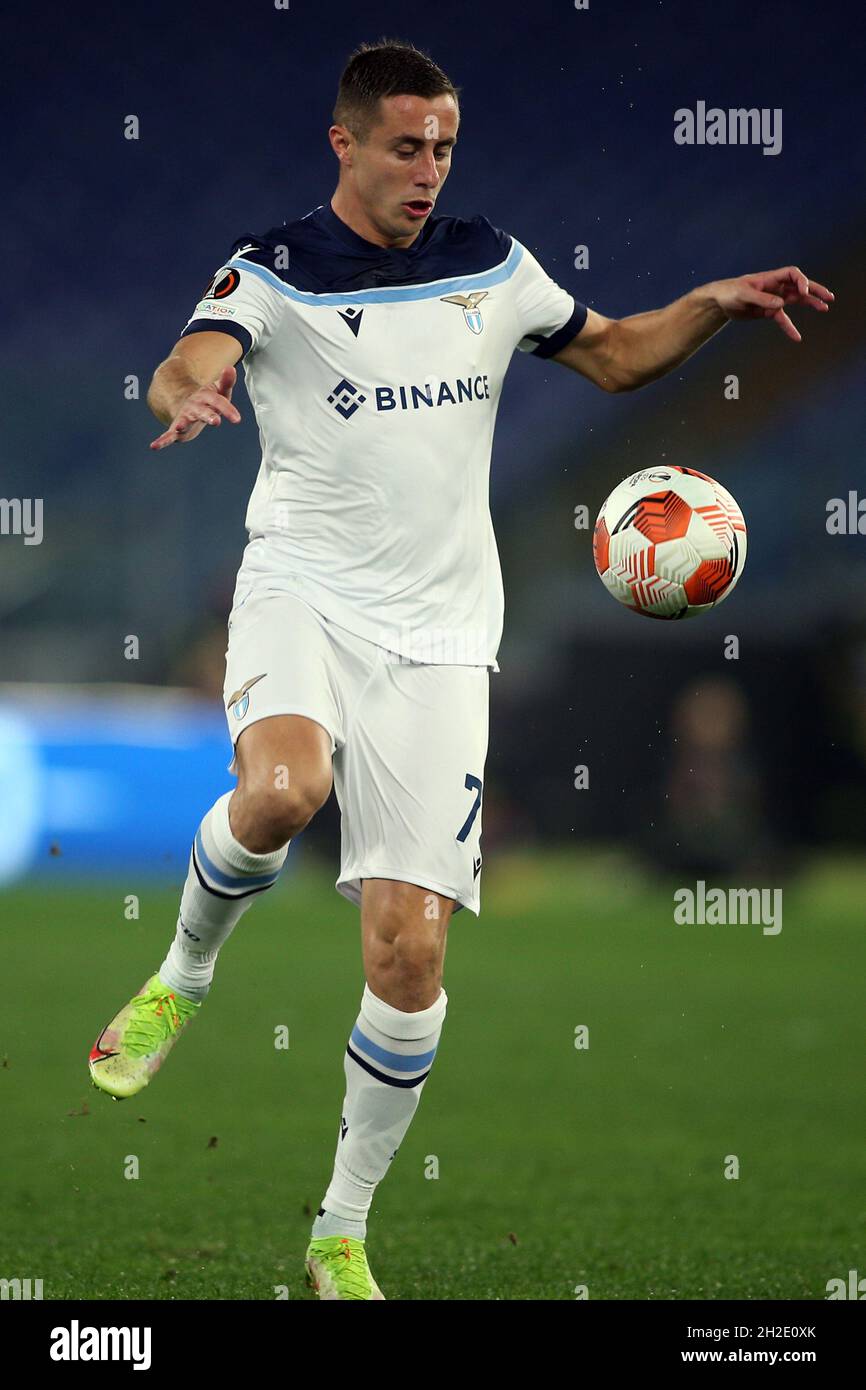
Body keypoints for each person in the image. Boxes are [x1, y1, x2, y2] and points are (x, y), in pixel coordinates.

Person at [87, 37, 834, 1300]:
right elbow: (192, 354)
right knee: (281, 792)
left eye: (442, 145)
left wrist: (705, 304)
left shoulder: (492, 263)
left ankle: (338, 1232)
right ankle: (183, 977)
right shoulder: (272, 270)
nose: (427, 168)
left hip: (440, 636)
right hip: (302, 594)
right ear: (345, 143)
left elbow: (610, 351)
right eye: (403, 145)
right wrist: (187, 390)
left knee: (408, 960)